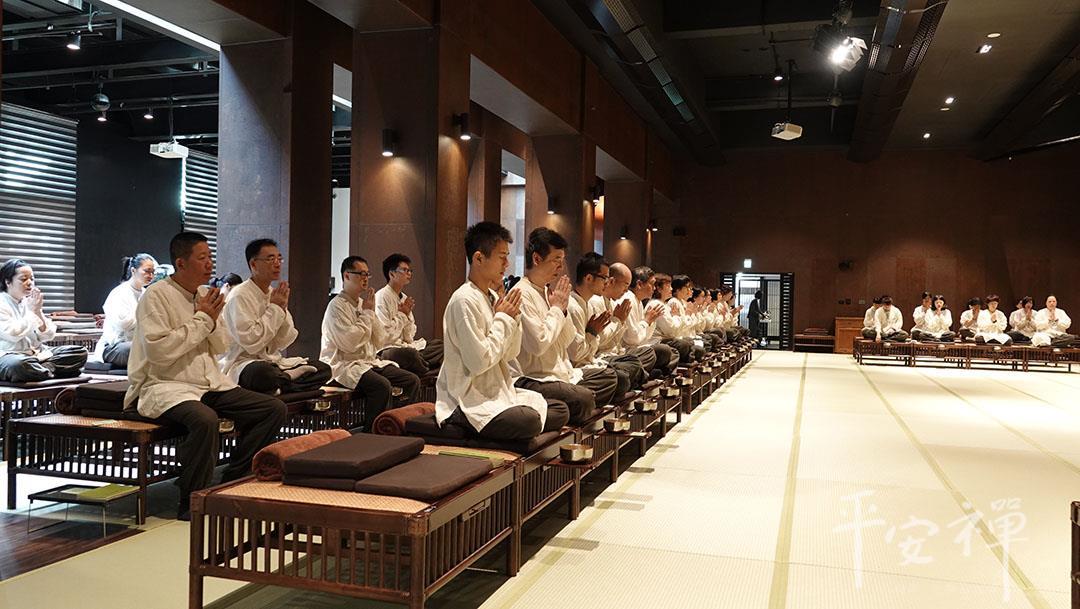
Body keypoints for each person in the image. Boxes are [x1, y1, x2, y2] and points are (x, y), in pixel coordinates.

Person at [124, 232, 287, 520]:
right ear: (181, 263)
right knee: (205, 420)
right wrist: (203, 319)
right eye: (202, 258)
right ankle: (191, 498)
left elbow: (222, 345)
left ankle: (233, 478)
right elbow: (160, 352)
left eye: (210, 257)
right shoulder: (156, 295)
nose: (210, 264)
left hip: (209, 382)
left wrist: (210, 319)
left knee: (272, 408)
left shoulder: (204, 294)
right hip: (167, 384)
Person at [435, 222, 569, 440]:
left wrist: (513, 320)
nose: (507, 264)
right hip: (468, 399)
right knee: (528, 420)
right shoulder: (463, 300)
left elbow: (510, 354)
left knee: (560, 409)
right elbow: (478, 363)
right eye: (502, 257)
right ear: (479, 258)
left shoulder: (493, 297)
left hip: (499, 391)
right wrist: (504, 319)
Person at [511, 228, 618, 424]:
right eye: (556, 260)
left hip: (562, 374)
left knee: (611, 378)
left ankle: (573, 405)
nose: (561, 267)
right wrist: (557, 310)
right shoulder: (522, 293)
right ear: (537, 259)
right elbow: (538, 344)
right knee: (583, 398)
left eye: (562, 260)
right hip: (535, 378)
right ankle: (575, 406)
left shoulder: (548, 292)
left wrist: (563, 311)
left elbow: (568, 340)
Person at [220, 239, 331, 395]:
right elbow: (251, 343)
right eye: (270, 259)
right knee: (263, 374)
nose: (277, 264)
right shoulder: (239, 295)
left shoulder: (273, 293)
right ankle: (285, 382)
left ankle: (282, 383)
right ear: (253, 264)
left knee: (324, 369)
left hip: (272, 362)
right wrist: (275, 309)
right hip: (244, 363)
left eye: (279, 258)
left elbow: (284, 340)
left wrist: (281, 310)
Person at [321, 255, 420, 428]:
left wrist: (372, 314)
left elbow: (380, 340)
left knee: (411, 380)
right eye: (361, 274)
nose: (365, 278)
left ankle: (399, 426)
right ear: (346, 276)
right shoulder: (336, 306)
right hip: (344, 365)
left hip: (367, 362)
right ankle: (373, 433)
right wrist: (367, 315)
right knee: (381, 386)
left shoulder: (364, 303)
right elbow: (349, 343)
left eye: (367, 274)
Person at [0, 259, 89, 383]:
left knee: (79, 352)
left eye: (32, 279)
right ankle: (49, 370)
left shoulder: (29, 302)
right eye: (23, 279)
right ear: (8, 282)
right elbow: (13, 334)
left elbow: (47, 336)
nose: (29, 283)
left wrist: (37, 312)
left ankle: (43, 370)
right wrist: (32, 312)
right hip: (9, 355)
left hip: (37, 355)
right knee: (18, 366)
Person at [374, 253, 444, 376]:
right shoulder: (381, 297)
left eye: (410, 270)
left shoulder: (404, 298)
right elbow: (385, 335)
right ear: (392, 274)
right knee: (409, 355)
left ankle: (423, 367)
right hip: (387, 348)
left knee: (441, 345)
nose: (409, 273)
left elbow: (409, 336)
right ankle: (427, 370)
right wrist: (402, 315)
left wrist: (406, 316)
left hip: (405, 345)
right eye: (405, 270)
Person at [93, 253, 157, 368]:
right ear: (133, 270)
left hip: (139, 343)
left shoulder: (147, 294)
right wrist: (146, 316)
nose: (151, 275)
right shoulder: (119, 293)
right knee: (136, 349)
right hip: (115, 347)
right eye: (147, 271)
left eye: (153, 272)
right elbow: (123, 324)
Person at [621, 266, 678, 375]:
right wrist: (647, 321)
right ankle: (648, 373)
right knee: (663, 350)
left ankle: (649, 372)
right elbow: (632, 339)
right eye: (652, 284)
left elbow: (645, 338)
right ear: (639, 284)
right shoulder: (628, 300)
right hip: (628, 351)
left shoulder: (638, 302)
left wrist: (650, 321)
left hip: (640, 349)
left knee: (672, 352)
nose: (654, 288)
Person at [651, 273, 696, 362]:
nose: (671, 289)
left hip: (673, 338)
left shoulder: (666, 303)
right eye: (668, 286)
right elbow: (672, 330)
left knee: (690, 343)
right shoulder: (666, 303)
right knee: (686, 345)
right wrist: (680, 316)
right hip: (660, 341)